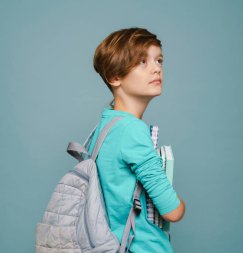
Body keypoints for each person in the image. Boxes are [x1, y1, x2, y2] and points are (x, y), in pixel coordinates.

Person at [87, 27, 186, 253]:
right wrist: (181, 205)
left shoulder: (105, 126)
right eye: (142, 62)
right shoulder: (132, 131)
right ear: (115, 77)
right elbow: (173, 211)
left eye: (159, 60)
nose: (156, 69)